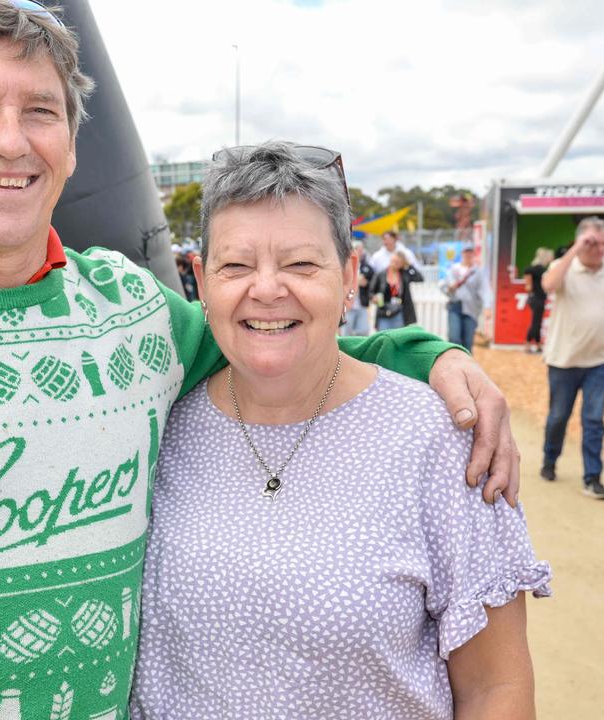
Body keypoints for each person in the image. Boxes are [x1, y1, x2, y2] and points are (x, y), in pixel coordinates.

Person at [0, 3, 522, 719]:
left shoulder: (130, 312)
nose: (11, 140)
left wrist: (434, 356)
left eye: (41, 111)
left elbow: (272, 340)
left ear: (71, 144)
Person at [129, 142, 548, 719]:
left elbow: (495, 688)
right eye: (236, 265)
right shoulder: (153, 426)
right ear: (200, 280)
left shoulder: (437, 441)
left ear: (350, 275)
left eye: (301, 264)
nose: (268, 289)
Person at [539, 217, 604, 500]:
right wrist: (576, 248)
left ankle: (593, 477)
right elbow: (549, 285)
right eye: (592, 243)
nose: (599, 249)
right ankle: (550, 458)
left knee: (594, 420)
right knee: (558, 417)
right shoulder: (563, 269)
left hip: (598, 360)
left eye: (603, 243)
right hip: (564, 359)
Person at [445, 246, 492, 353]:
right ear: (462, 253)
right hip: (455, 305)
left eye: (470, 252)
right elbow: (445, 286)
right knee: (454, 338)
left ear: (473, 254)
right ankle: (453, 365)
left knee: (467, 341)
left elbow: (485, 289)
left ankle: (467, 367)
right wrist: (450, 288)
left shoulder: (478, 272)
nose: (468, 255)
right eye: (466, 252)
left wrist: (487, 306)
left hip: (471, 308)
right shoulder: (454, 269)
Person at [371, 251, 423, 330]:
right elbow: (371, 291)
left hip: (399, 311)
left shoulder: (404, 274)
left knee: (398, 337)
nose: (394, 264)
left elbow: (419, 278)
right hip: (383, 311)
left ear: (402, 264)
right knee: (383, 338)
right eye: (393, 261)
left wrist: (409, 266)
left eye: (398, 262)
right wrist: (373, 298)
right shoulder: (381, 274)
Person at [524, 248, 553, 354]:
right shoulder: (543, 270)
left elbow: (528, 286)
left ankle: (538, 345)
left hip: (533, 298)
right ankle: (528, 344)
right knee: (536, 323)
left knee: (537, 322)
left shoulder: (531, 269)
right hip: (538, 299)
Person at [341, 239, 373, 336]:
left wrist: (366, 283)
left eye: (362, 250)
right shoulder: (345, 266)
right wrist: (355, 282)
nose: (361, 252)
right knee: (347, 331)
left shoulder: (367, 267)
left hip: (361, 303)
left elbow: (373, 282)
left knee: (363, 330)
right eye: (359, 249)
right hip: (348, 303)